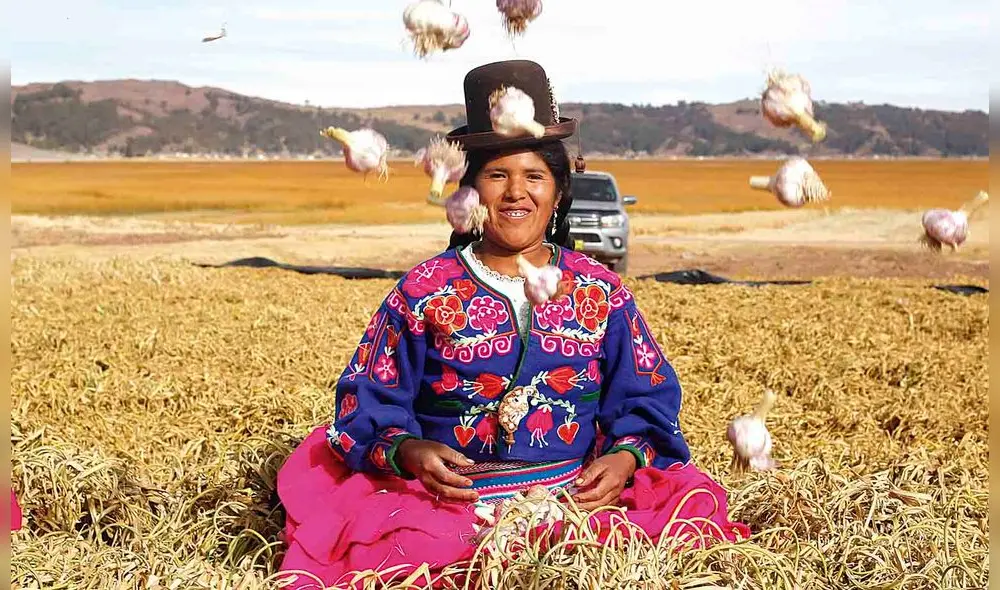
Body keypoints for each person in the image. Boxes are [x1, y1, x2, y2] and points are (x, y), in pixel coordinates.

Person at [276, 59, 750, 589]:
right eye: (497, 175)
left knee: (687, 518)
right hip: (448, 505)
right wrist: (407, 450)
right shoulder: (423, 290)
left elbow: (645, 393)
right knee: (392, 554)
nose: (516, 193)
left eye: (534, 176)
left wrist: (624, 457)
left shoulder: (601, 290)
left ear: (558, 189)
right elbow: (367, 396)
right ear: (470, 192)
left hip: (572, 501)